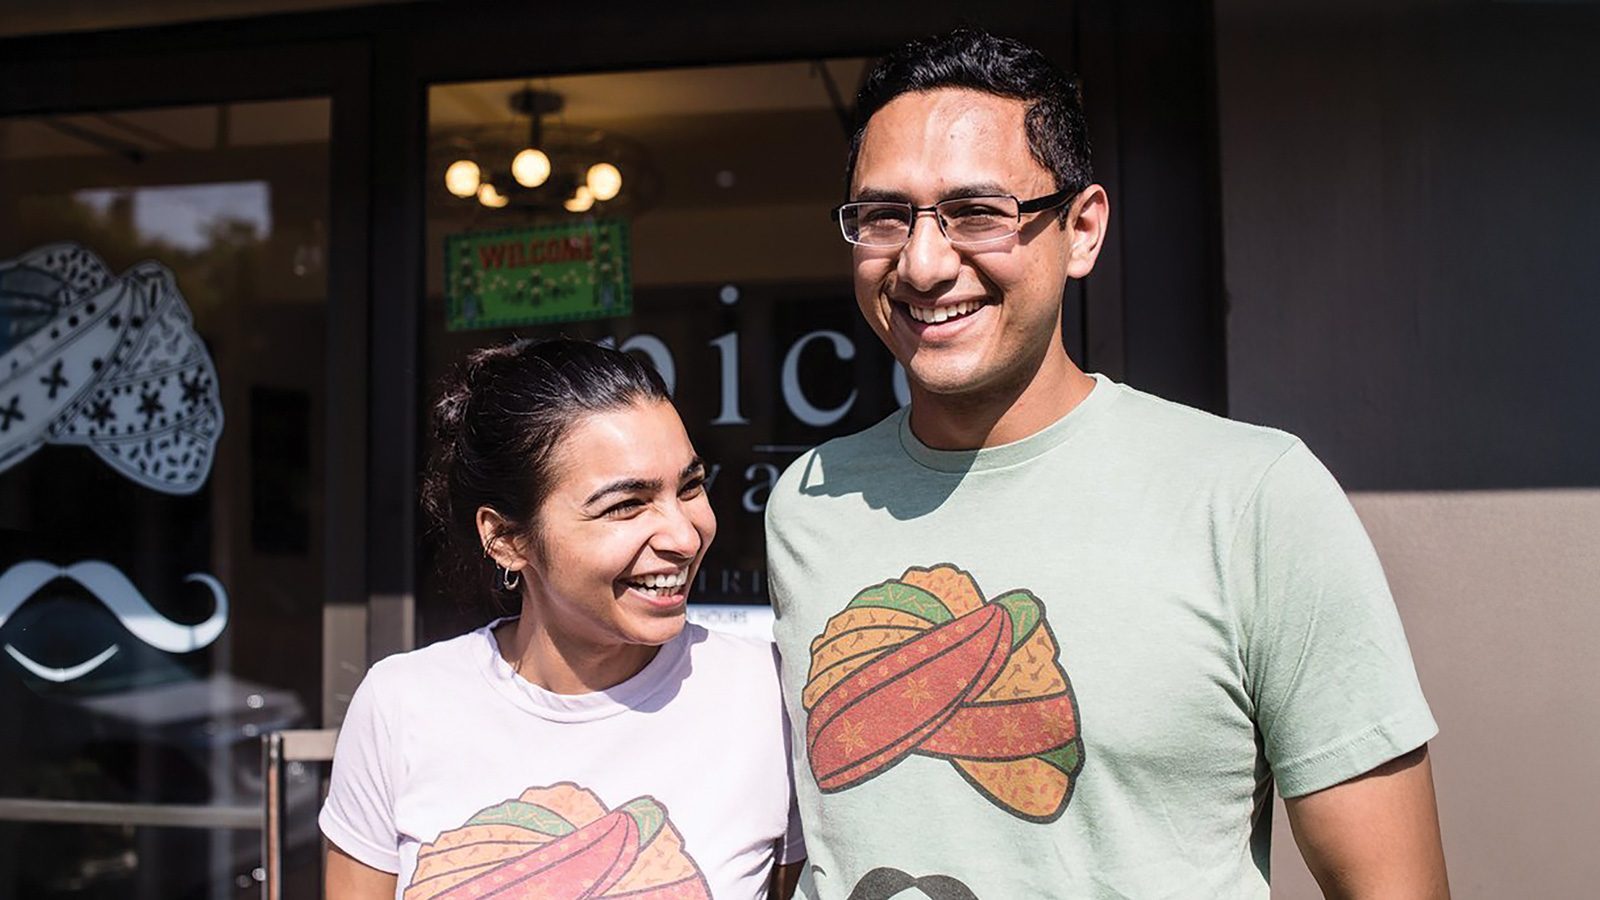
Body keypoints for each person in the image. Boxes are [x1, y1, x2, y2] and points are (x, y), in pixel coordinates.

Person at [764, 29, 1447, 900]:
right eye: (884, 216)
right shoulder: (808, 504)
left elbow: (1394, 885)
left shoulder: (1249, 497)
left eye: (978, 212)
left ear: (1081, 230)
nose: (924, 264)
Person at [321, 338, 805, 899]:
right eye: (625, 505)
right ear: (504, 539)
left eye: (690, 486)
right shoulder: (402, 704)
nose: (684, 535)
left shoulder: (768, 696)